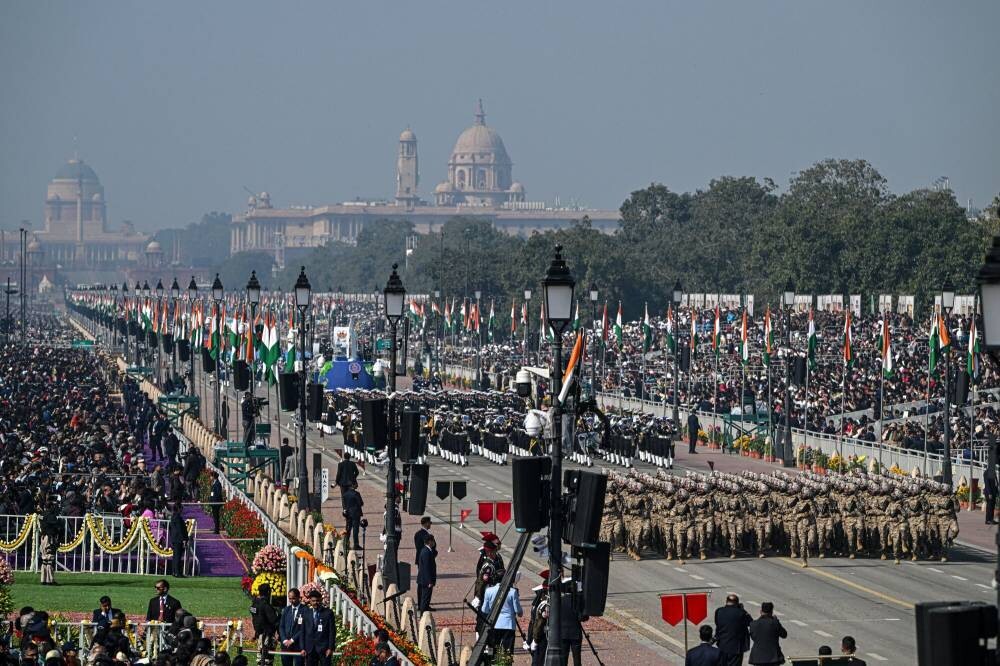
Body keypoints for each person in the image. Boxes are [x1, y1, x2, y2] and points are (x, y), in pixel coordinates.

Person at [480, 571, 522, 658]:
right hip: (508, 624)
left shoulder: (489, 591)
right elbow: (518, 610)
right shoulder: (512, 592)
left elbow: (484, 609)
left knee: (493, 649)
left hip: (494, 623)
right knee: (508, 651)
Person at [714, 594, 752, 666]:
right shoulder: (741, 612)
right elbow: (750, 622)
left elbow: (717, 623)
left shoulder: (719, 611)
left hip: (722, 645)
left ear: (726, 601)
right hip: (736, 647)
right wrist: (743, 610)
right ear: (737, 602)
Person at [301, 590, 335, 666]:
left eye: (317, 601)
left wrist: (330, 648)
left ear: (321, 600)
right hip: (310, 649)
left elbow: (332, 632)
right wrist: (303, 648)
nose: (315, 603)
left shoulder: (328, 613)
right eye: (313, 601)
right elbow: (302, 631)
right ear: (310, 601)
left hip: (324, 649)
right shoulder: (306, 613)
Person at [250, 584, 279, 666]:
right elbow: (274, 621)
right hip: (267, 637)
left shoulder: (254, 604)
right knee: (267, 660)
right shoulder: (266, 605)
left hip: (259, 634)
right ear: (268, 592)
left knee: (260, 660)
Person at [279, 588, 306, 666]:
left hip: (298, 645)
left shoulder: (305, 610)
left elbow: (303, 629)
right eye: (290, 599)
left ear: (299, 597)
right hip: (286, 645)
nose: (291, 601)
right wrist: (284, 640)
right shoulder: (286, 610)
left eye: (293, 598)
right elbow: (281, 626)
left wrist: (292, 640)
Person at [416, 535, 437, 613]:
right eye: (433, 541)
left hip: (425, 579)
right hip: (425, 580)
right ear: (430, 541)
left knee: (427, 597)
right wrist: (429, 581)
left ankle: (426, 608)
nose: (434, 542)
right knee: (425, 597)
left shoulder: (427, 550)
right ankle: (423, 614)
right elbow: (426, 568)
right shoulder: (426, 552)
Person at [168, 502, 188, 577]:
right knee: (177, 556)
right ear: (179, 509)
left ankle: (175, 571)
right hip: (178, 539)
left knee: (176, 556)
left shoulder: (174, 516)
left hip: (175, 538)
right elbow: (180, 529)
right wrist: (183, 539)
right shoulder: (177, 517)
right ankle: (177, 572)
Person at [342, 484, 364, 550]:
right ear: (353, 486)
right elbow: (361, 503)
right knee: (355, 529)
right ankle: (356, 544)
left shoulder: (345, 494)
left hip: (348, 514)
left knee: (348, 528)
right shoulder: (356, 494)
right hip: (356, 513)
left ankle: (346, 543)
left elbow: (344, 504)